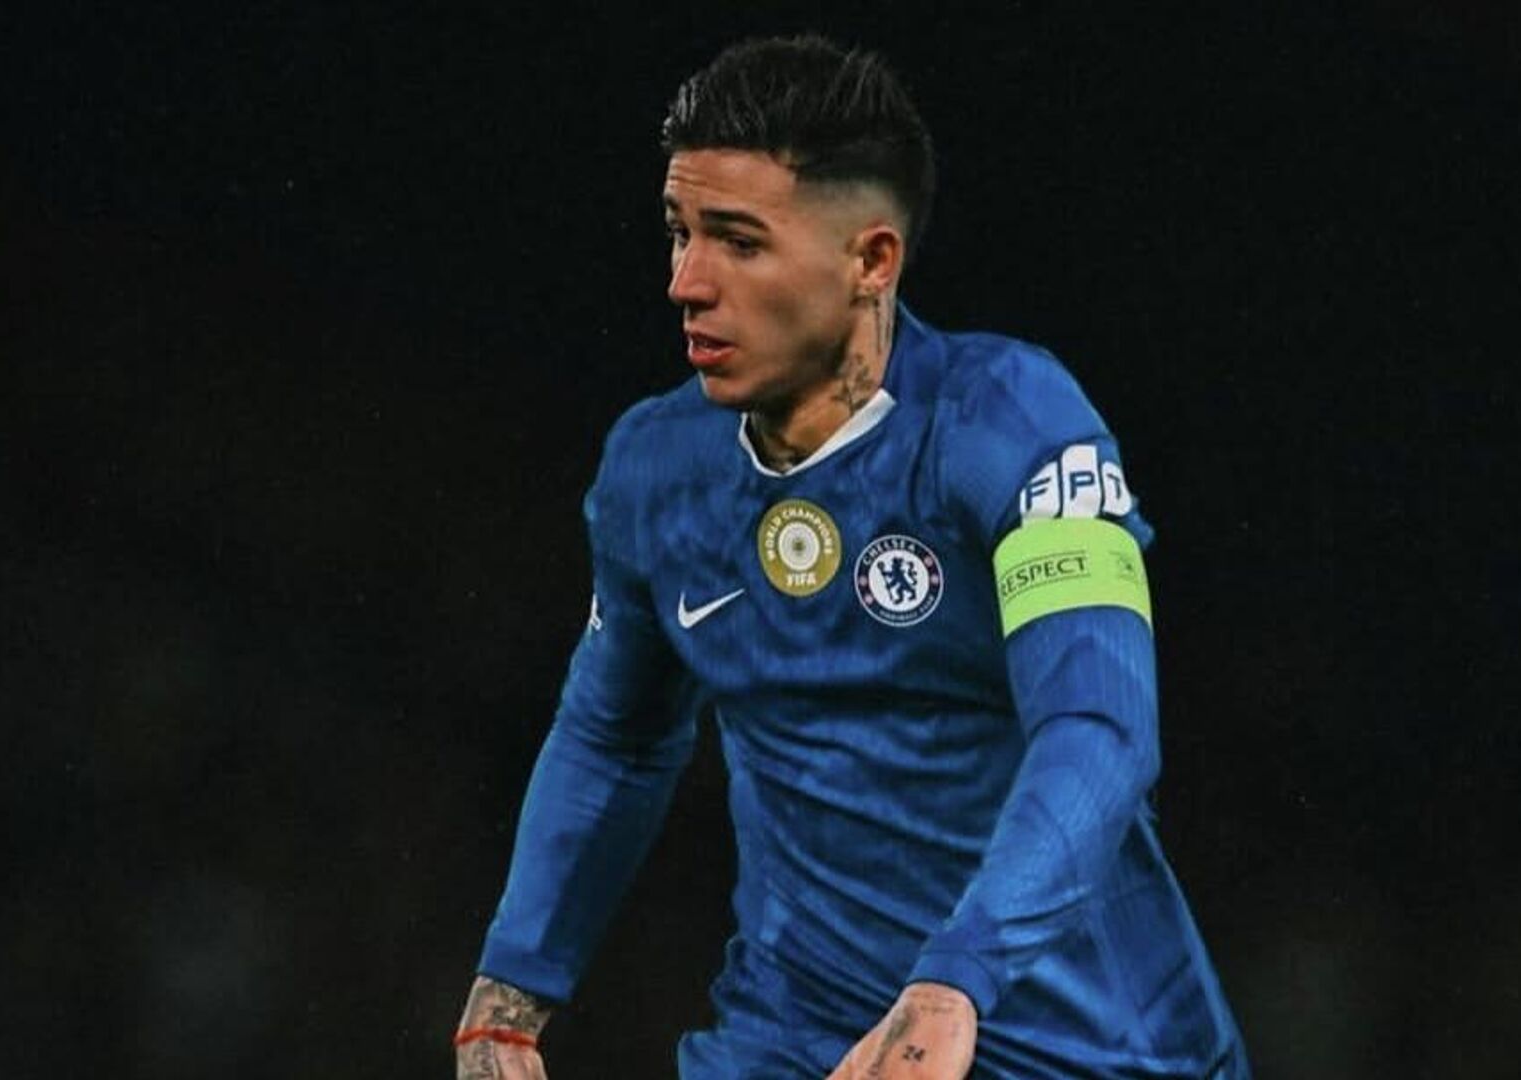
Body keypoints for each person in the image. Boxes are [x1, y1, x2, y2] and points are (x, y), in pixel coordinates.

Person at [454, 34, 1249, 1080]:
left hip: (1090, 1052)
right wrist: (509, 993)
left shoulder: (1013, 426)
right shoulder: (657, 469)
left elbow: (1098, 731)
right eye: (679, 232)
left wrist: (953, 982)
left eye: (738, 243)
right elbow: (615, 737)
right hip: (788, 1042)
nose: (686, 282)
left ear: (871, 260)